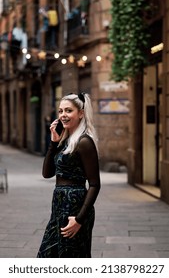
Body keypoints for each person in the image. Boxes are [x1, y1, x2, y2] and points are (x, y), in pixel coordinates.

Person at [37, 93, 101, 258]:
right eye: (60, 111)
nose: (63, 115)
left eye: (68, 110)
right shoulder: (65, 140)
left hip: (75, 208)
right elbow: (47, 173)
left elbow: (94, 184)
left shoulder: (84, 142)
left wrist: (79, 219)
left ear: (81, 113)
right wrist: (53, 143)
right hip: (58, 206)